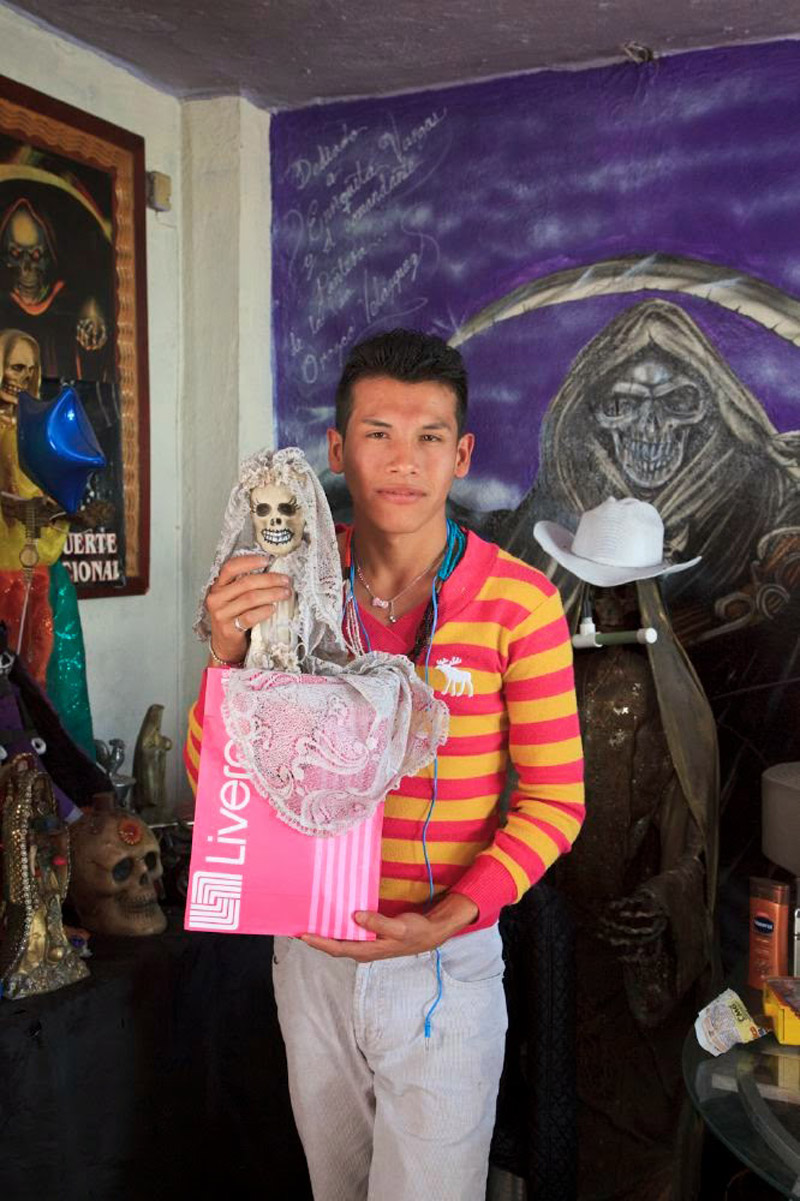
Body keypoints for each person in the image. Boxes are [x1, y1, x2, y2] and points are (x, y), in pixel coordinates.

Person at [184, 329, 585, 1201]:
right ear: (336, 449)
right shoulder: (288, 587)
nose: (404, 461)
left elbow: (556, 801)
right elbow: (217, 786)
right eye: (378, 434)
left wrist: (452, 917)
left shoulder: (519, 602)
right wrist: (226, 659)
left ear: (461, 454)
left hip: (445, 959)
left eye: (429, 436)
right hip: (310, 955)